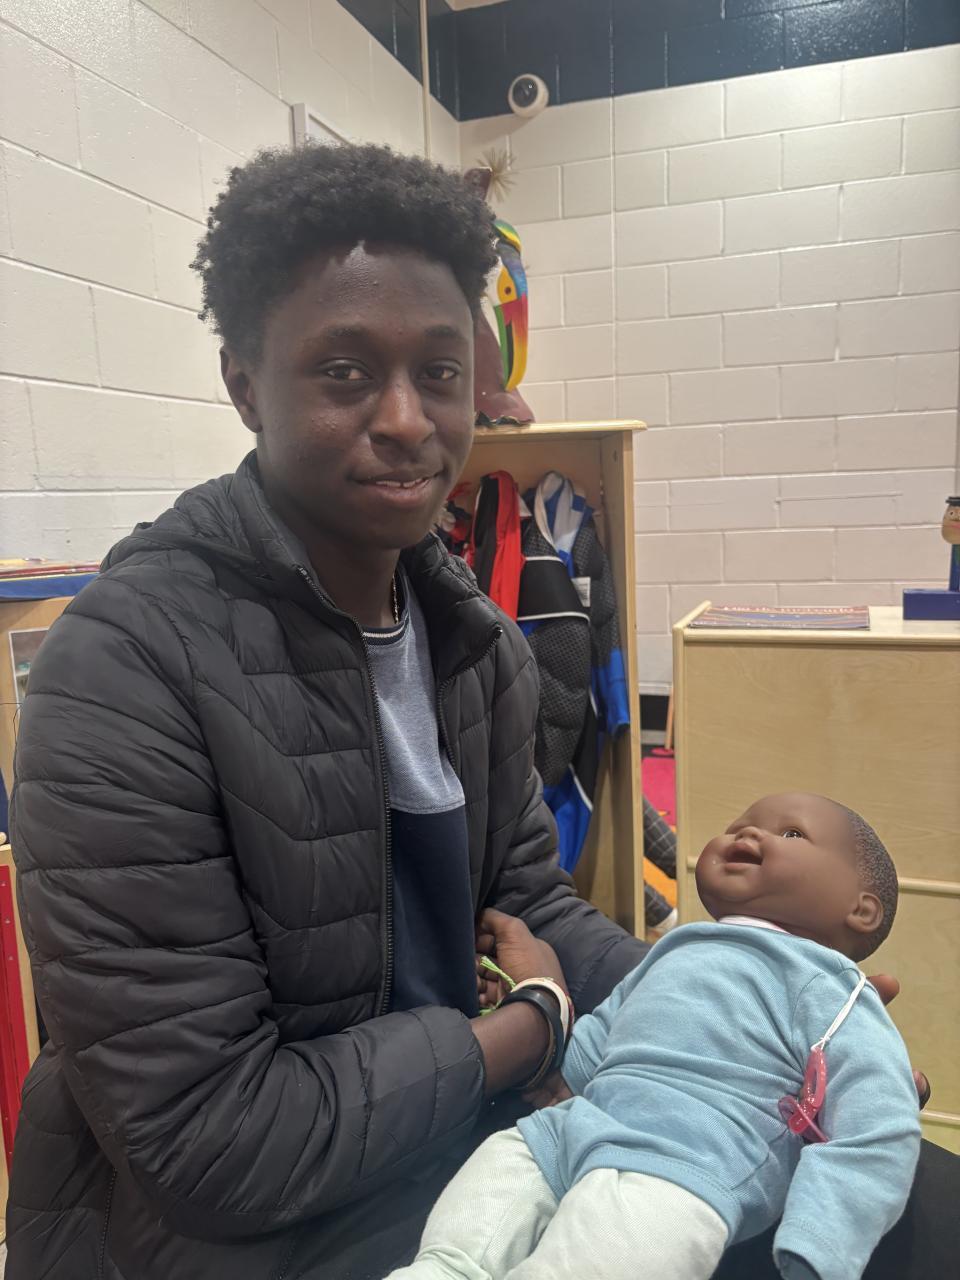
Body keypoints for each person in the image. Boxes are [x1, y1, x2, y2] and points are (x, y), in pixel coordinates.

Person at [4, 143, 948, 1280]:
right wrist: (526, 1030)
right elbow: (209, 1138)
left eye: (440, 371)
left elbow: (527, 897)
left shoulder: (473, 641)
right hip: (240, 1225)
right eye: (345, 371)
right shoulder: (124, 666)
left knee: (910, 1206)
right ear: (244, 383)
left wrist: (744, 1005)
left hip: (473, 1129)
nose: (408, 419)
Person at [387, 794, 921, 1280]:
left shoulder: (836, 992)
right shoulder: (676, 946)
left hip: (690, 1163)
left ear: (861, 909)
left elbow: (879, 1128)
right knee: (502, 1167)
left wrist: (820, 1238)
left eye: (792, 834)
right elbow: (612, 1023)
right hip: (578, 1125)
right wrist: (557, 1072)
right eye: (739, 823)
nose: (748, 833)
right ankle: (444, 1268)